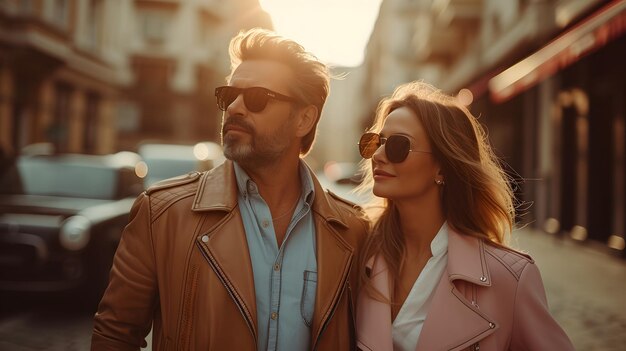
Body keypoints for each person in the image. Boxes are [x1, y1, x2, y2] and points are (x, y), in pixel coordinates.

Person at [92, 28, 367, 351]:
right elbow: (115, 334)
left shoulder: (352, 230)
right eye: (228, 95)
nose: (234, 107)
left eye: (256, 98)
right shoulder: (162, 213)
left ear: (304, 120)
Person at [355, 81, 574, 351]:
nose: (377, 155)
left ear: (443, 168)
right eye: (375, 142)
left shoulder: (509, 278)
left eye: (398, 145)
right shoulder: (356, 253)